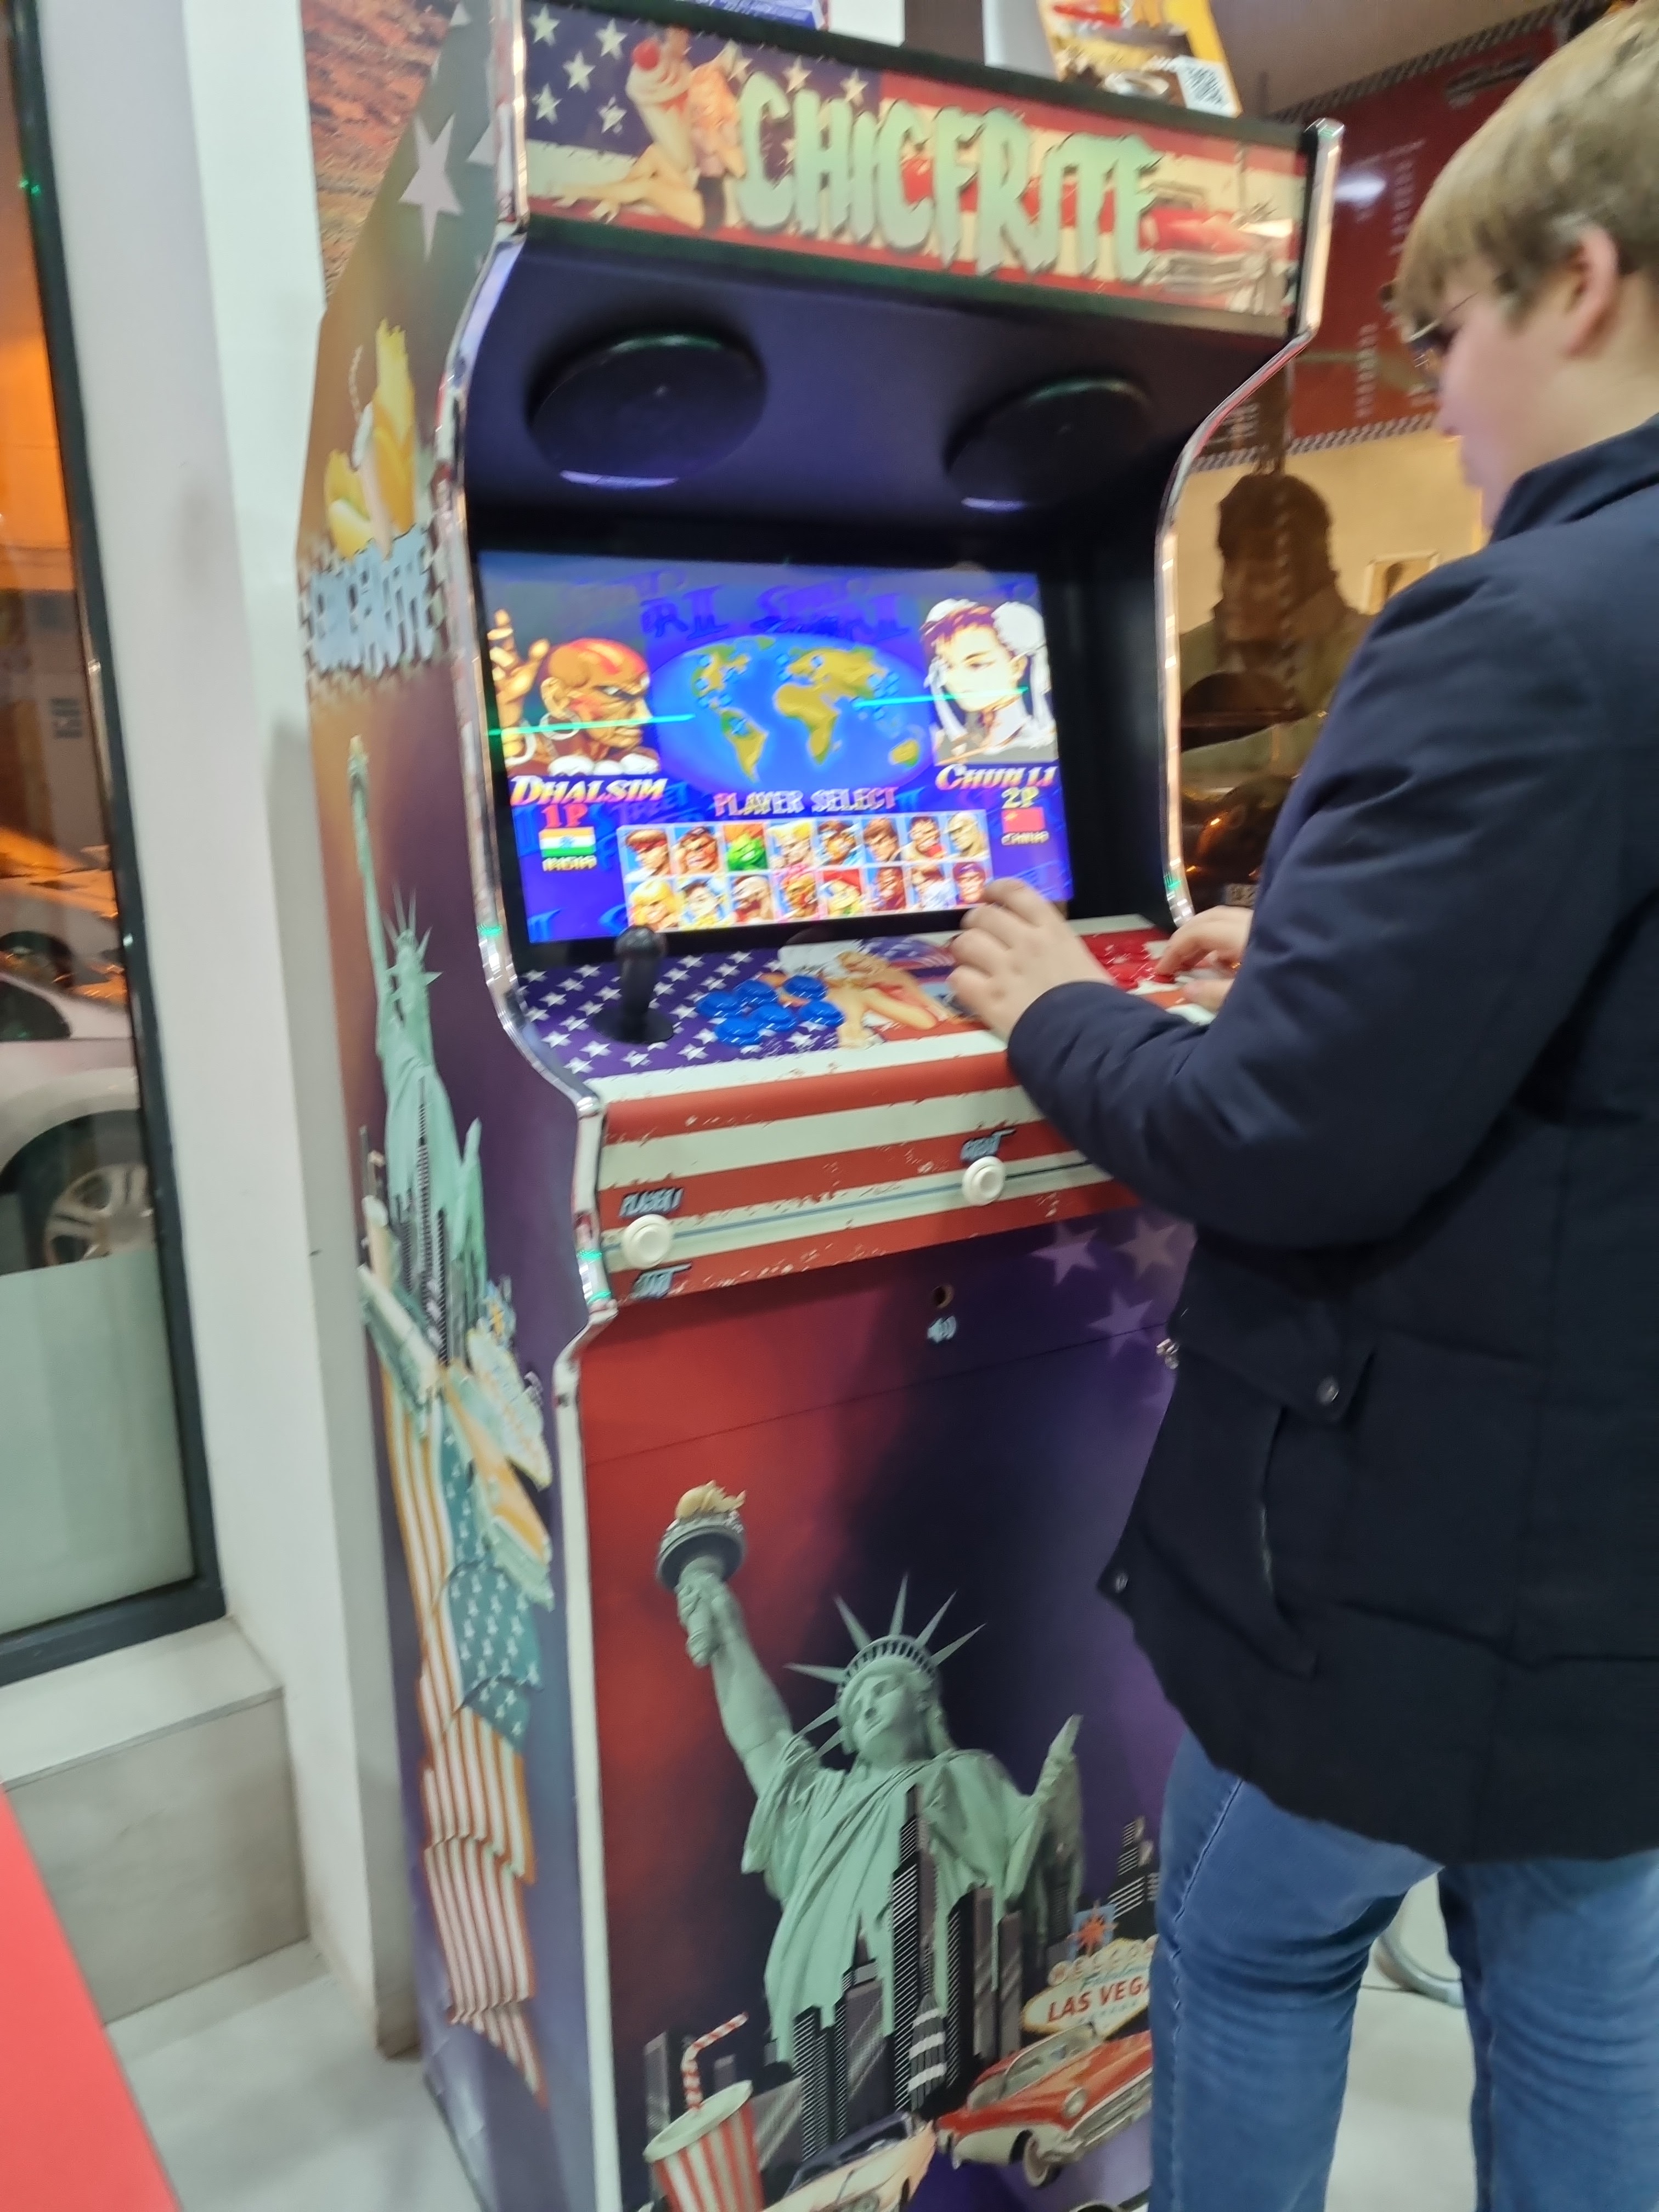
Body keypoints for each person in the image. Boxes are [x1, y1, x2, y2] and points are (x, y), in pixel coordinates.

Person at [950, 11, 1659, 2208]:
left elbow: (1282, 1136)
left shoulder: (1524, 628)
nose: (1435, 399)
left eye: (1446, 332)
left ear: (1583, 283)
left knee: (1252, 1939)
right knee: (1585, 1971)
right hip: (1618, 1531)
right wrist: (1337, 960)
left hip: (1438, 1534)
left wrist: (1054, 1007)